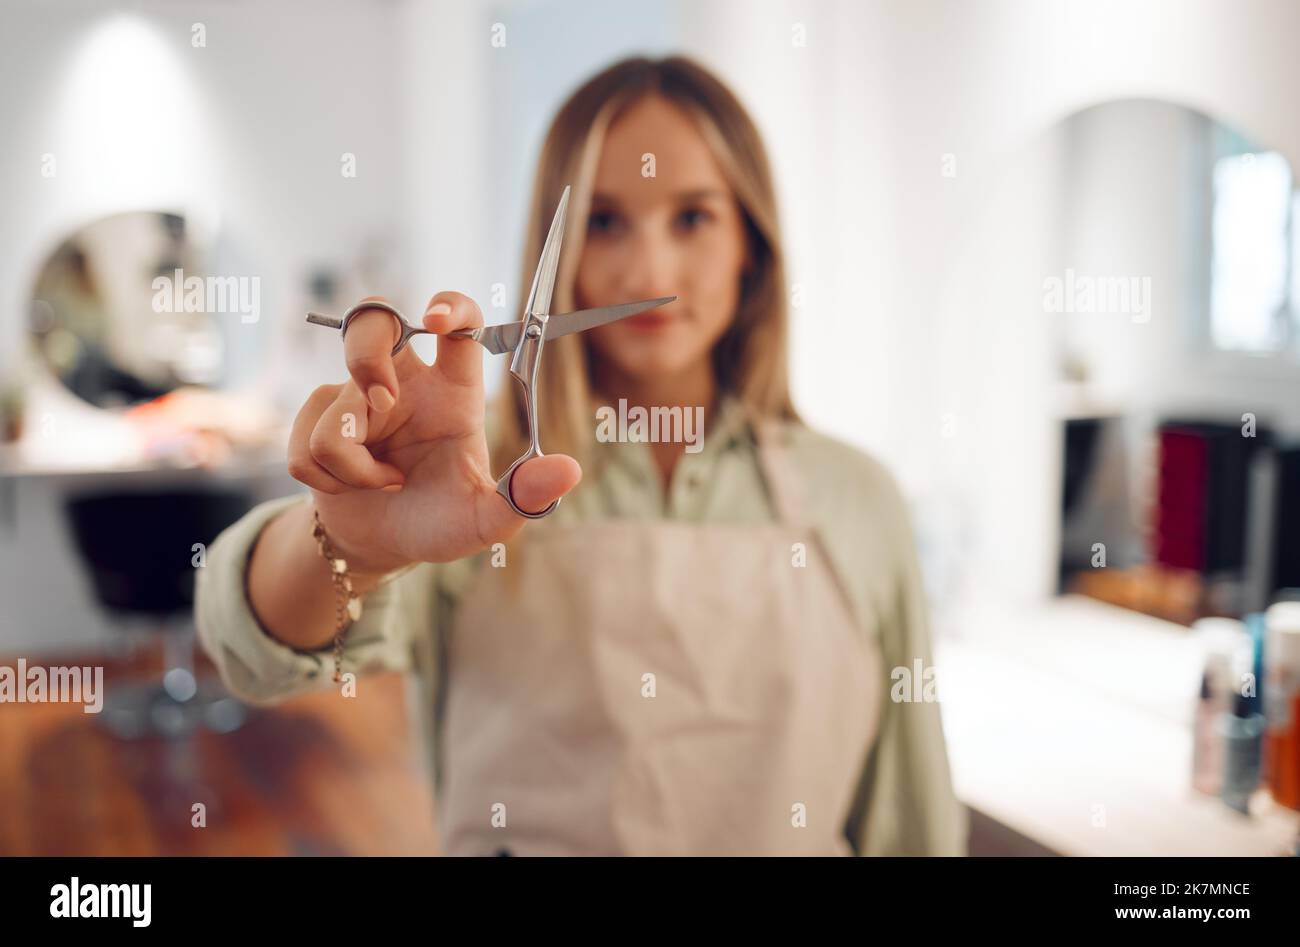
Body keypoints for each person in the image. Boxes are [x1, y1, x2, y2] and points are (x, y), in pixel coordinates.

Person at [196, 55, 967, 856]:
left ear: (751, 243)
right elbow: (250, 651)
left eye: (693, 217)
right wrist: (348, 543)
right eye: (603, 222)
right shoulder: (474, 481)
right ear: (553, 254)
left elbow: (910, 820)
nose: (648, 270)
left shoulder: (856, 498)